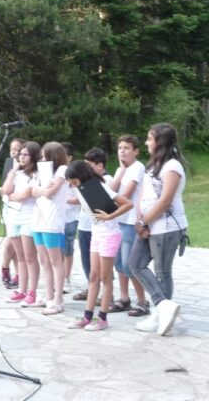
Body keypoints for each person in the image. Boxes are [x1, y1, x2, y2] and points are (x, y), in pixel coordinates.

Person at [129, 123, 188, 336]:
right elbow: (143, 196)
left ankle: (160, 314)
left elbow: (165, 202)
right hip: (148, 224)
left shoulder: (172, 167)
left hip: (166, 226)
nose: (146, 142)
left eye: (149, 138)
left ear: (160, 142)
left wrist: (144, 222)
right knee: (135, 264)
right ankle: (164, 306)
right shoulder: (153, 166)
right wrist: (140, 221)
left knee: (162, 272)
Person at [65, 160, 133, 331]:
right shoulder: (82, 190)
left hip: (110, 234)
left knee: (106, 277)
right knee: (93, 276)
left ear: (81, 177)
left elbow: (128, 204)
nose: (73, 185)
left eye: (74, 182)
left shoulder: (101, 187)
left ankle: (102, 317)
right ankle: (87, 316)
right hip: (96, 233)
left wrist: (110, 216)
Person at [109, 135, 149, 317]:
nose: (122, 151)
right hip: (119, 221)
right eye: (120, 148)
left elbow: (125, 194)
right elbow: (111, 190)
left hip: (131, 222)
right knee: (118, 263)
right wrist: (120, 172)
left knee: (129, 264)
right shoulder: (121, 169)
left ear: (136, 151)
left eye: (126, 148)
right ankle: (124, 298)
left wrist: (111, 199)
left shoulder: (138, 167)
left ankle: (142, 301)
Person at [31, 141, 70, 314]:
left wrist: (41, 190)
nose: (42, 159)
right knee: (44, 260)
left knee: (55, 260)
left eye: (44, 156)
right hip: (39, 219)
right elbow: (33, 191)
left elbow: (49, 192)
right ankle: (48, 297)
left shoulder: (62, 170)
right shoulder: (40, 172)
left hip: (52, 221)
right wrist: (41, 190)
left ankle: (58, 300)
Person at [1, 141, 41, 305]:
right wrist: (13, 171)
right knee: (20, 256)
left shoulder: (37, 174)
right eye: (20, 154)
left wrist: (10, 196)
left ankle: (32, 291)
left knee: (30, 256)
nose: (22, 157)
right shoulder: (17, 173)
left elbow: (26, 194)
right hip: (13, 216)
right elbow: (5, 190)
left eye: (26, 154)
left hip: (28, 216)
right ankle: (22, 290)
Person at [71, 147, 112, 301]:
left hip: (99, 228)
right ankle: (91, 288)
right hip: (84, 224)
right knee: (87, 261)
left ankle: (107, 294)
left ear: (100, 165)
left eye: (89, 165)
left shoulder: (107, 180)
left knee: (103, 264)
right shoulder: (85, 182)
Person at [0, 138, 25, 288]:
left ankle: (17, 273)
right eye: (11, 149)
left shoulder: (26, 165)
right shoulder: (9, 162)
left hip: (21, 206)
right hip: (9, 205)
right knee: (11, 239)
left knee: (17, 243)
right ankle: (6, 268)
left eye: (17, 149)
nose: (14, 152)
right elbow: (4, 184)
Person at [61, 142, 79, 295]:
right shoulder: (55, 172)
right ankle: (58, 278)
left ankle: (66, 278)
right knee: (56, 249)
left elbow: (80, 198)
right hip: (56, 218)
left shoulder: (74, 173)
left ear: (70, 157)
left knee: (68, 249)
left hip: (70, 217)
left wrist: (63, 201)